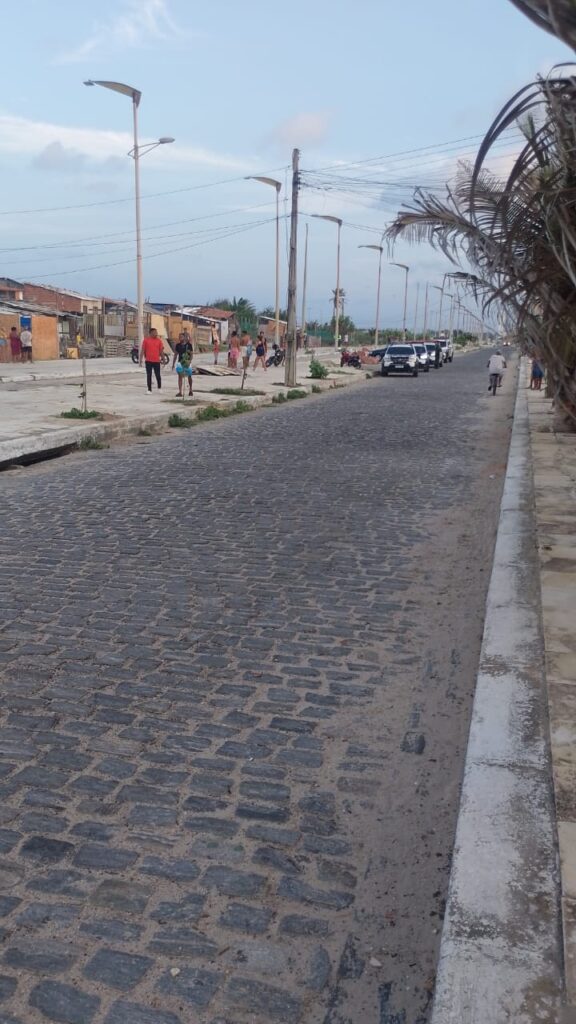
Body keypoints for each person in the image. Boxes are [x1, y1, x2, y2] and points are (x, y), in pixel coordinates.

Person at [140, 327, 164, 393]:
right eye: (154, 333)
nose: (156, 334)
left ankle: (159, 387)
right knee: (149, 375)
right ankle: (149, 389)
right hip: (148, 361)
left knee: (158, 375)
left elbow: (161, 351)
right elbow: (143, 350)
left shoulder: (159, 341)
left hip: (156, 361)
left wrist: (163, 359)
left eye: (156, 332)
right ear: (150, 333)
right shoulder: (146, 340)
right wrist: (140, 360)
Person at [172, 332, 194, 397]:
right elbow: (175, 355)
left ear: (184, 337)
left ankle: (190, 390)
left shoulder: (189, 345)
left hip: (187, 362)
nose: (180, 338)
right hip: (180, 362)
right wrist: (173, 364)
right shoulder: (177, 345)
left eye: (181, 337)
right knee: (180, 376)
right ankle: (180, 392)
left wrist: (190, 361)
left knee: (189, 376)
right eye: (179, 337)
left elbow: (191, 354)